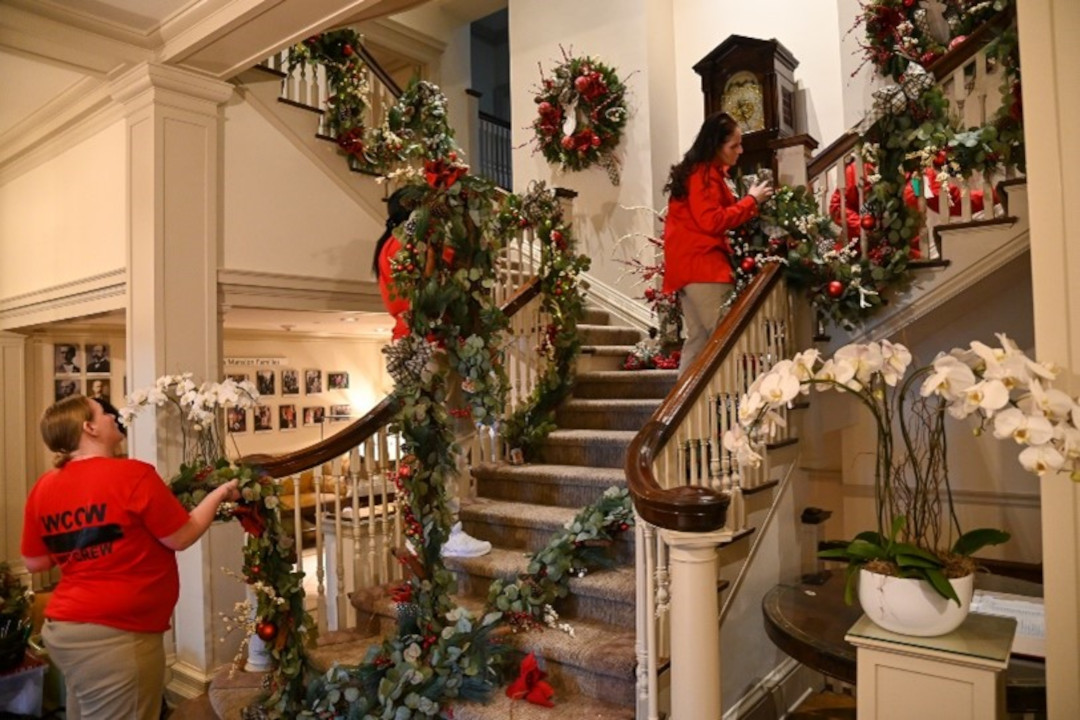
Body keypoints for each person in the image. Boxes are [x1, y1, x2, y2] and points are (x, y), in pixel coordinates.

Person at [21, 395, 240, 720]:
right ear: (89, 427)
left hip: (66, 631)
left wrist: (80, 544)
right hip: (117, 637)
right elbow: (182, 535)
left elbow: (36, 562)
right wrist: (219, 494)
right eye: (104, 413)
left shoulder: (44, 487)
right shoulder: (132, 475)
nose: (113, 417)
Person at [373, 187, 491, 558]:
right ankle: (440, 529)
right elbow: (428, 293)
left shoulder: (396, 245)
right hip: (428, 347)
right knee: (439, 443)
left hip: (425, 346)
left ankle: (430, 527)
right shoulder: (410, 244)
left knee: (438, 441)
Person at [661, 112, 773, 376]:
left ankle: (678, 415)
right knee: (728, 339)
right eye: (733, 146)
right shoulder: (703, 174)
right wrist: (752, 201)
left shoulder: (701, 172)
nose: (740, 151)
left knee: (698, 342)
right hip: (704, 266)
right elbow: (711, 221)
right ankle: (734, 407)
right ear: (715, 146)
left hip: (689, 268)